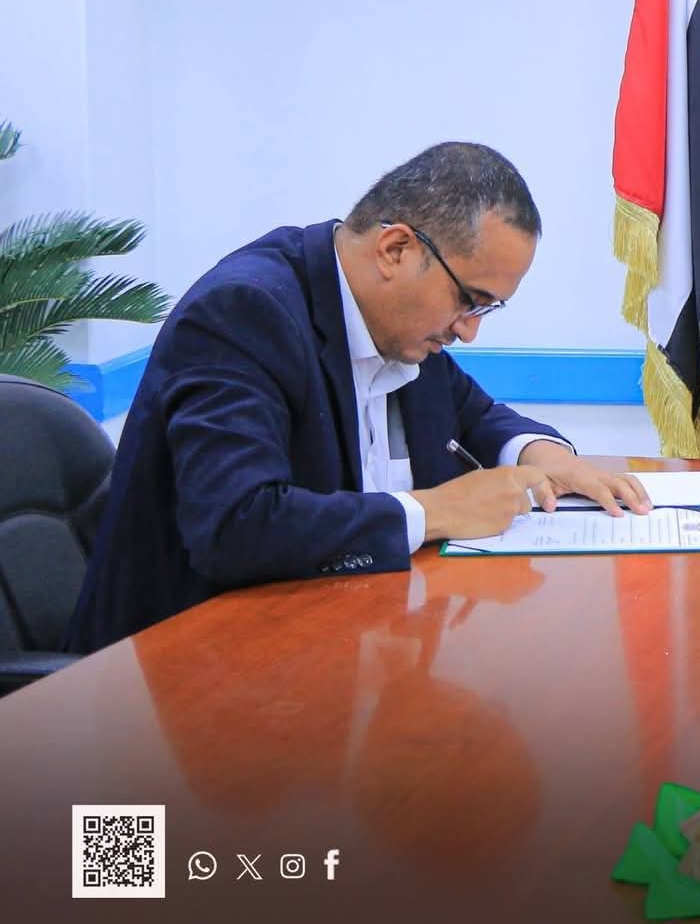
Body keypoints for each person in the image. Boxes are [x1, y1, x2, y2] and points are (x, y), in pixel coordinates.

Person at [66, 143, 650, 653]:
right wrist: (436, 510)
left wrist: (544, 456)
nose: (469, 330)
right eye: (469, 300)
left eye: (487, 309)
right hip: (182, 674)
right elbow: (235, 525)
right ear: (395, 250)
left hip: (340, 644)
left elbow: (475, 416)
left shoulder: (401, 330)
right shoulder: (245, 314)